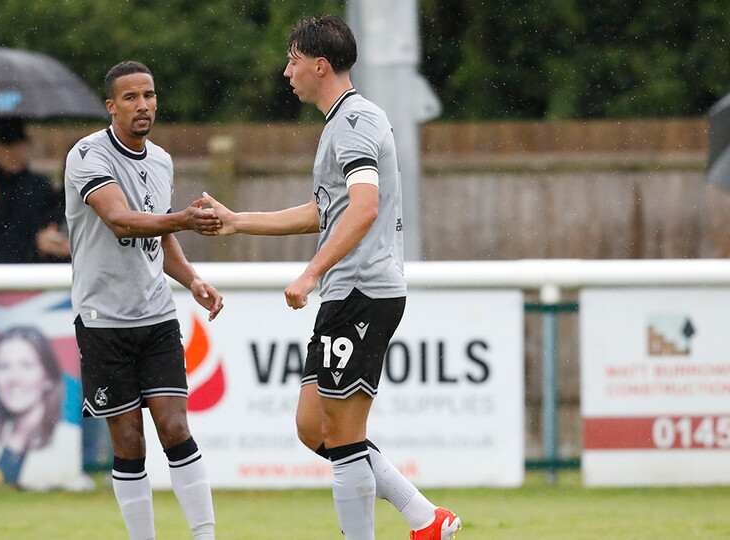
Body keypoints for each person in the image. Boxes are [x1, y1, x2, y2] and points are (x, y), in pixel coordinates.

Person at [202, 15, 462, 540]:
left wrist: (310, 273)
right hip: (348, 292)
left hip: (363, 291)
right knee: (311, 427)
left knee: (343, 436)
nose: (286, 71)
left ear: (320, 65)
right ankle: (423, 517)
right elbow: (328, 212)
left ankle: (405, 525)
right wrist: (238, 222)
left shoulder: (356, 122)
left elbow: (363, 209)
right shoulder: (340, 123)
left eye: (293, 61)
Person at [64, 60, 223, 540]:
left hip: (156, 317)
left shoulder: (161, 161)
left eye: (149, 95)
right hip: (103, 321)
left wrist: (192, 280)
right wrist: (184, 219)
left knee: (175, 427)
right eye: (131, 98)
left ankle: (205, 536)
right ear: (111, 106)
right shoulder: (87, 155)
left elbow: (158, 233)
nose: (143, 106)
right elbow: (122, 220)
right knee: (129, 439)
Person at [0, 326, 93, 492]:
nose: (14, 378)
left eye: (27, 365)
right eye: (3, 366)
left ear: (48, 377)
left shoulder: (68, 440)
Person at [0, 117, 71, 263]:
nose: (13, 152)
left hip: (33, 276)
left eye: (19, 144)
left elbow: (54, 234)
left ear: (27, 145)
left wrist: (51, 242)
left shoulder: (42, 187)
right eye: (7, 145)